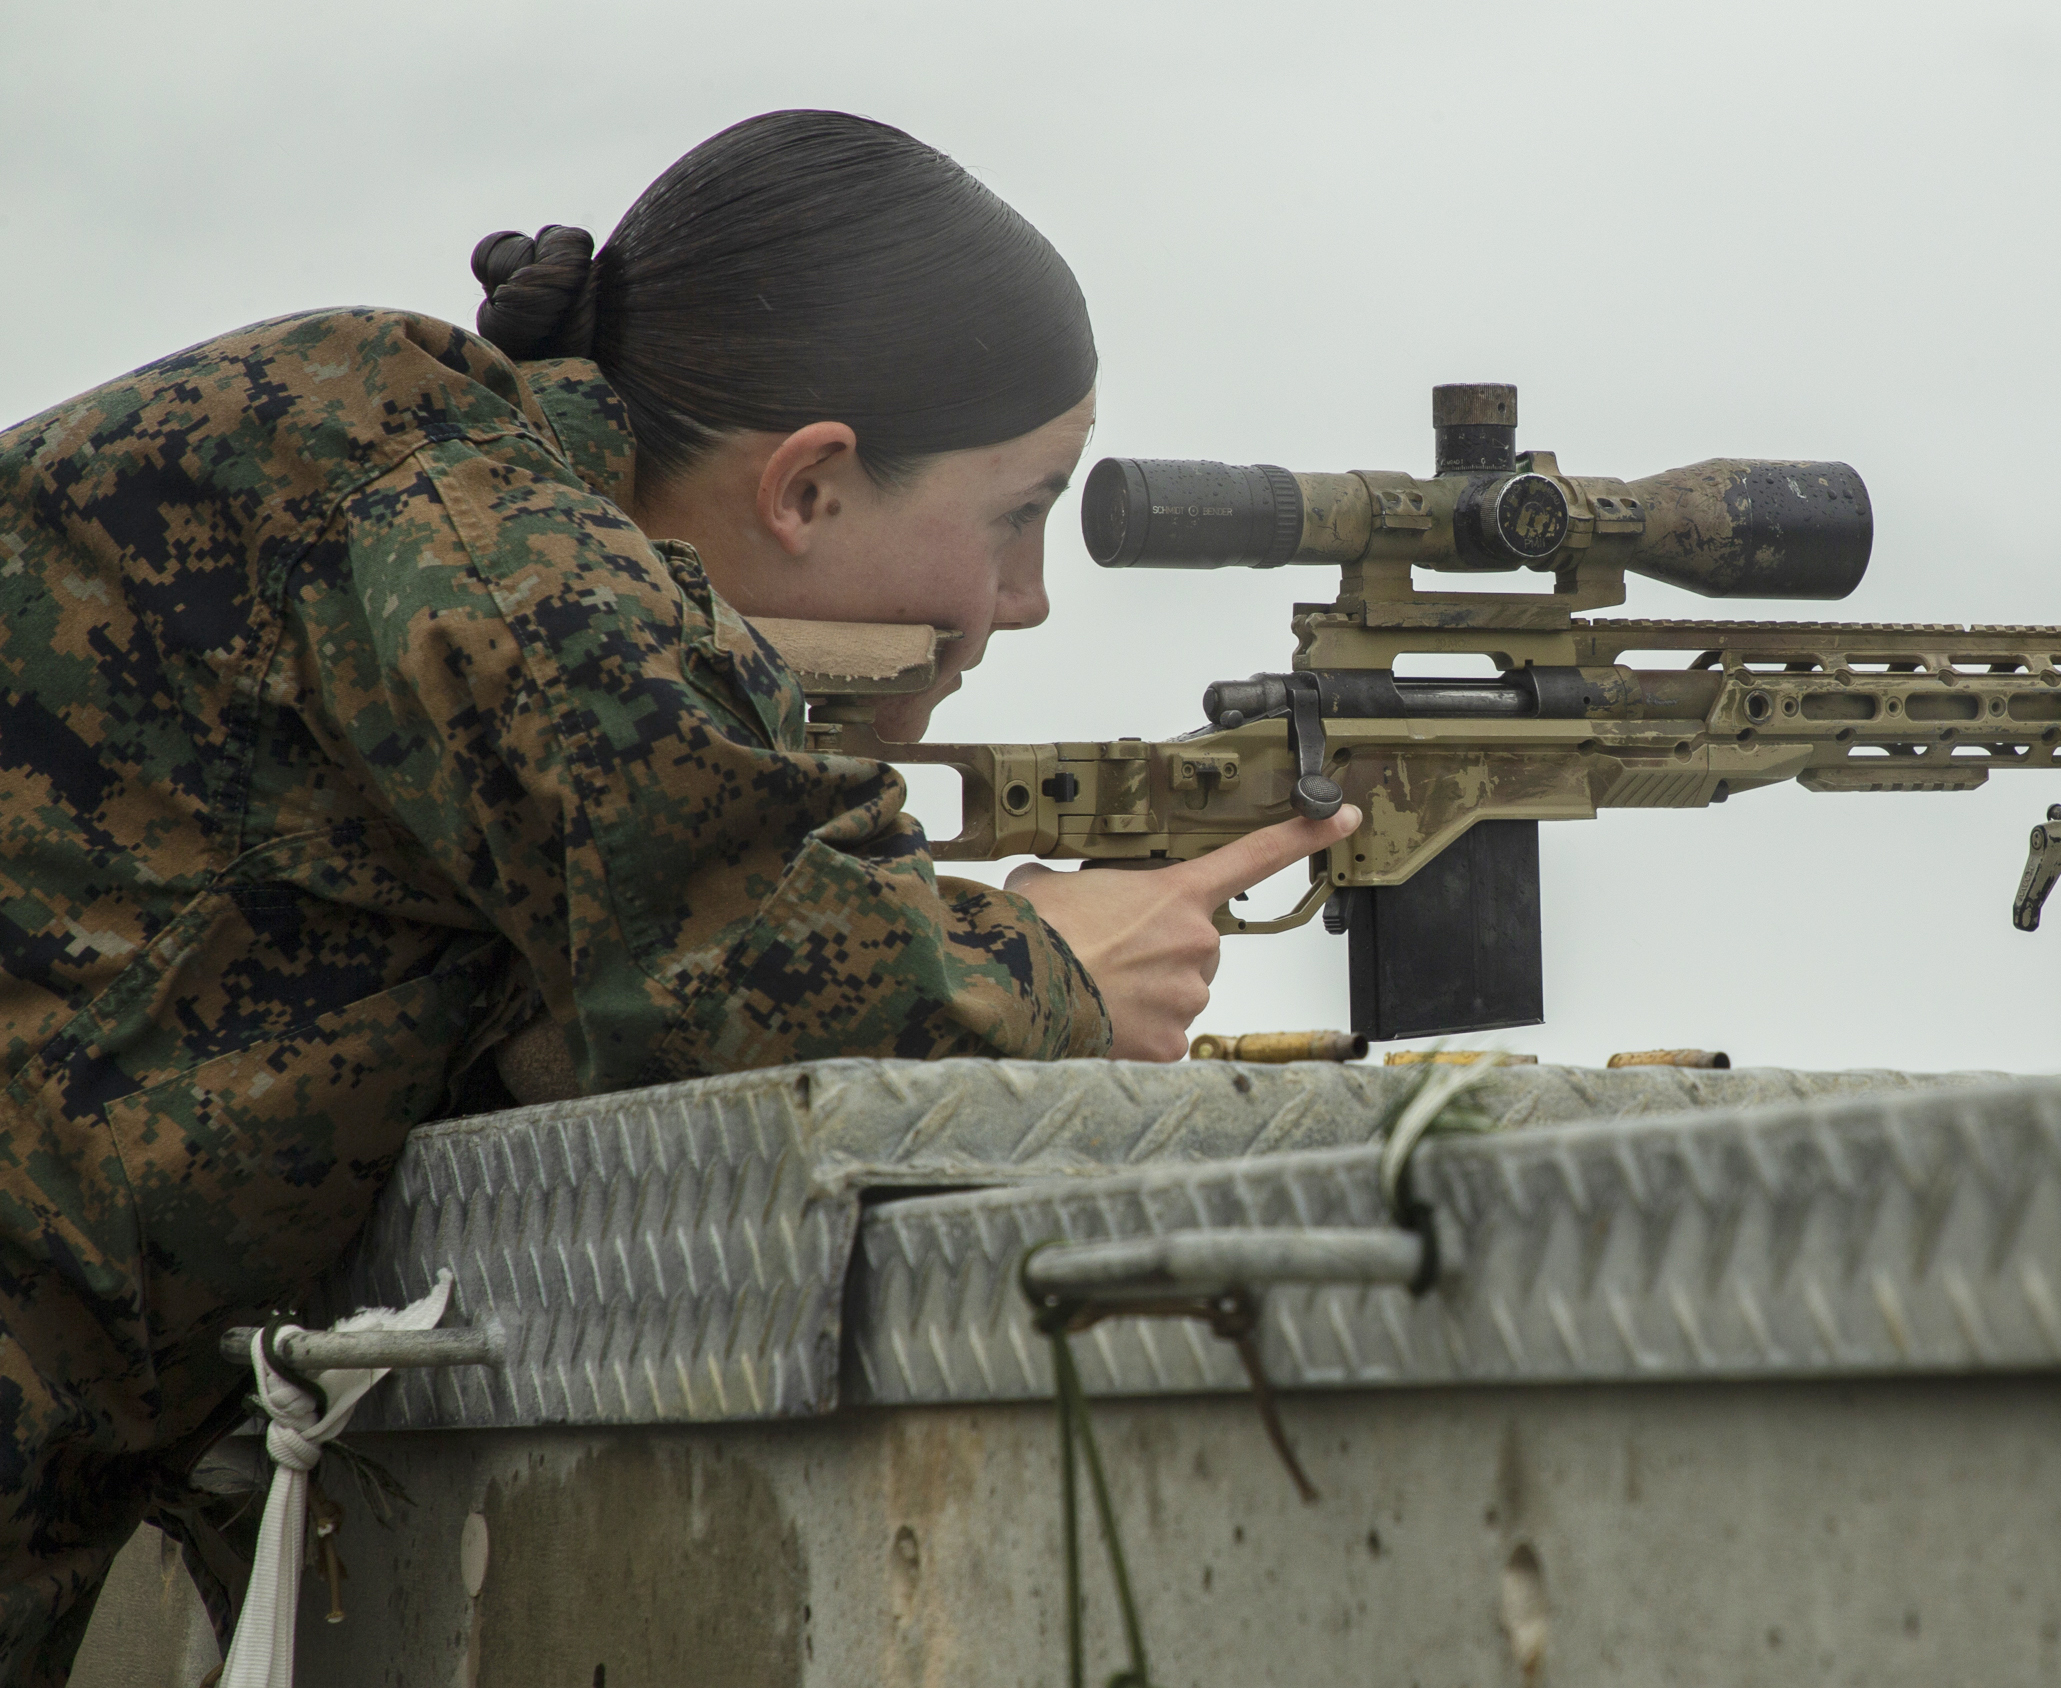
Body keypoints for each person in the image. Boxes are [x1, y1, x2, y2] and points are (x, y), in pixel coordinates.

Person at [0, 108, 1352, 1682]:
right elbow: (753, 966)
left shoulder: (416, 478)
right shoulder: (458, 514)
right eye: (1015, 515)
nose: (1028, 598)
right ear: (810, 487)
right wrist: (1055, 964)